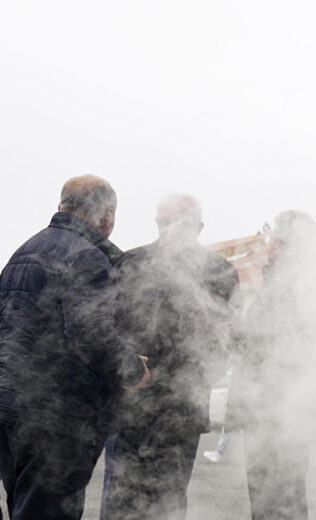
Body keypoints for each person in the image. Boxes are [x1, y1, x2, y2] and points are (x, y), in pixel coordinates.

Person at [0, 175, 150, 520]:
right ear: (107, 214)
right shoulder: (87, 257)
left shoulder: (22, 252)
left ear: (61, 207)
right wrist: (134, 368)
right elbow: (91, 334)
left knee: (23, 508)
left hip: (10, 412)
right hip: (54, 420)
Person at [100, 194, 239, 520]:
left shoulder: (219, 272)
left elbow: (225, 342)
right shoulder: (130, 263)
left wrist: (189, 381)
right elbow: (108, 328)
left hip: (181, 413)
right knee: (120, 504)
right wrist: (124, 374)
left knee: (167, 504)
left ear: (200, 227)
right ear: (156, 224)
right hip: (129, 410)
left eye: (183, 222)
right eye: (165, 221)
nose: (173, 229)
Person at [232, 210, 316, 520]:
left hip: (275, 413)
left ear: (282, 246)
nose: (269, 246)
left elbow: (263, 348)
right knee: (283, 497)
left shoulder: (290, 290)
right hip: (283, 412)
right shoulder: (304, 288)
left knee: (276, 500)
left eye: (273, 240)